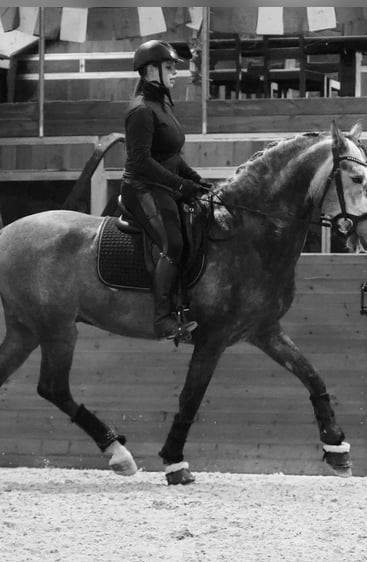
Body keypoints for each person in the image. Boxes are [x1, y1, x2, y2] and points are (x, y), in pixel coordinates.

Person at [120, 39, 209, 341]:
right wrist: (179, 185)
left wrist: (195, 179)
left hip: (164, 186)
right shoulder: (141, 111)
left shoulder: (162, 104)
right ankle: (164, 319)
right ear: (151, 71)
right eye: (170, 67)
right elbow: (141, 161)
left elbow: (171, 155)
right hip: (142, 188)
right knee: (173, 243)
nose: (175, 73)